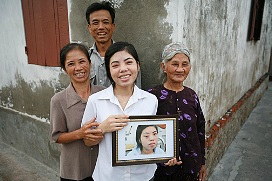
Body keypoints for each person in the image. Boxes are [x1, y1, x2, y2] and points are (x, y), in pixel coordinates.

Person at [81, 42, 178, 181]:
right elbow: (87, 141)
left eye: (128, 62)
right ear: (109, 70)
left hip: (143, 176)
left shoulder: (151, 100)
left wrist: (166, 155)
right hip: (108, 176)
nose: (123, 69)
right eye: (115, 65)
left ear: (137, 66)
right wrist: (103, 128)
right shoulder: (95, 101)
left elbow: (154, 134)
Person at [148, 42, 207, 181]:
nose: (180, 69)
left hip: (191, 167)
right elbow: (145, 129)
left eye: (185, 64)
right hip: (162, 169)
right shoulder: (152, 96)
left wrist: (202, 162)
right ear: (164, 66)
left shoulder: (192, 95)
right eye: (175, 64)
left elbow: (200, 129)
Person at [50, 43, 104, 181]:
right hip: (75, 171)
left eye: (82, 61)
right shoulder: (59, 100)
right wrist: (80, 133)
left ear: (90, 63)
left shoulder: (103, 93)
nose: (78, 68)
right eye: (71, 64)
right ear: (64, 69)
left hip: (102, 167)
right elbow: (57, 137)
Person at [85, 1, 141, 87]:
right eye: (95, 23)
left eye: (105, 22)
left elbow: (136, 89)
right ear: (89, 28)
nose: (101, 27)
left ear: (112, 26)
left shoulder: (127, 56)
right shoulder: (86, 59)